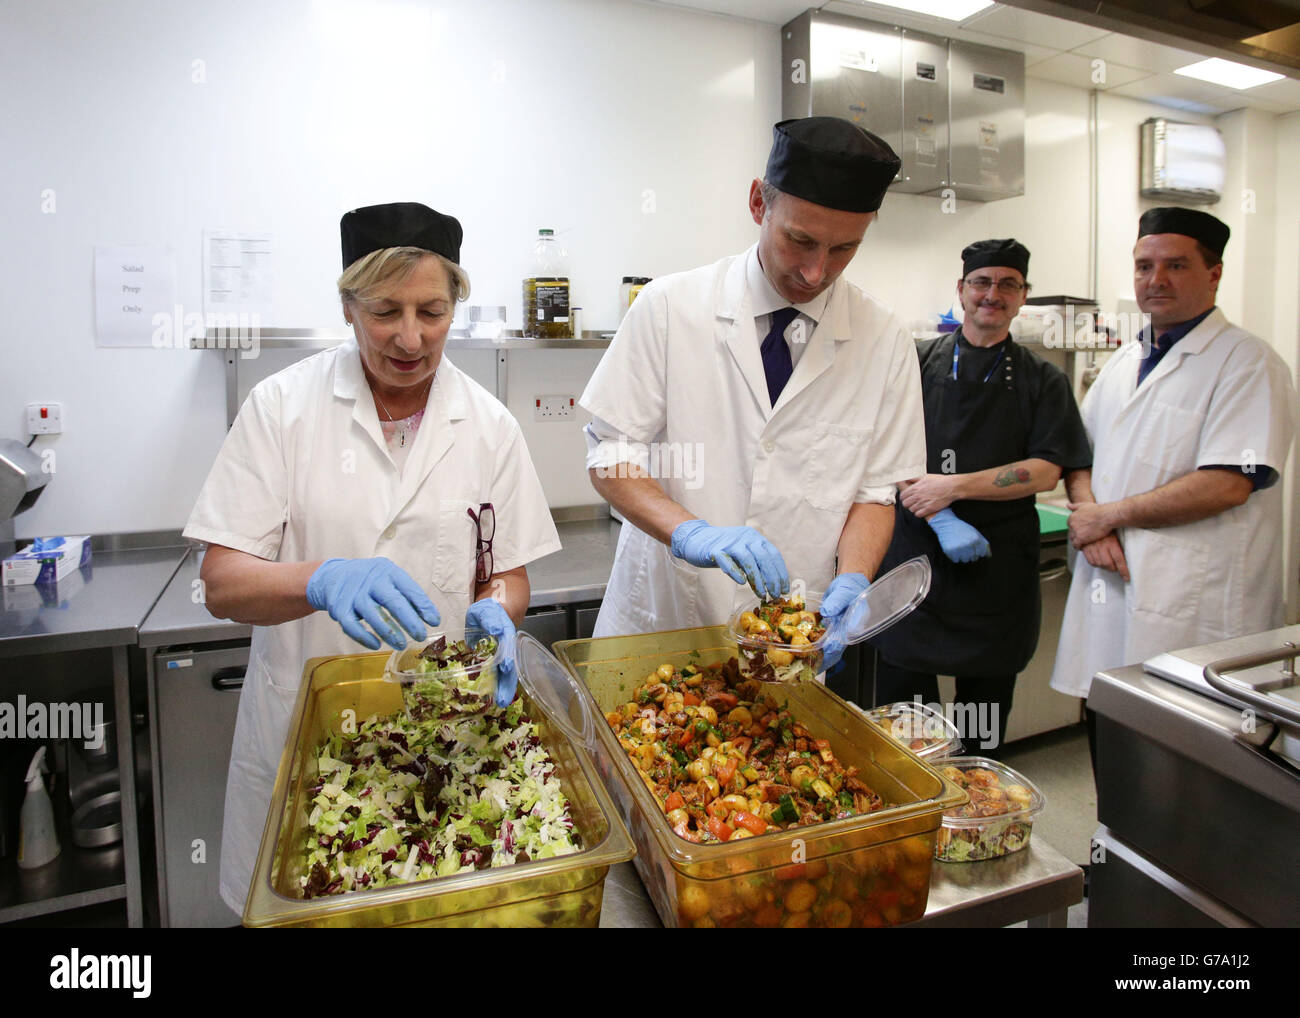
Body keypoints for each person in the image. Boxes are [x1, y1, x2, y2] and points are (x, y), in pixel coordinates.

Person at [183, 202, 561, 915]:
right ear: (349, 306)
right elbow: (222, 583)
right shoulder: (282, 409)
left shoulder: (489, 425)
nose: (412, 337)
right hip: (306, 743)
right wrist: (319, 580)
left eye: (433, 310)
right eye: (387, 310)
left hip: (441, 744)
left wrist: (500, 608)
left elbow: (508, 571)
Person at [579, 117, 926, 667]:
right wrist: (689, 531)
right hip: (662, 626)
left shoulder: (884, 339)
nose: (815, 272)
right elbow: (610, 454)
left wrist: (854, 579)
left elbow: (876, 494)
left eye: (843, 250)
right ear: (759, 205)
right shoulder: (670, 307)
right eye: (801, 240)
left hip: (788, 644)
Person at [1050, 207, 1297, 764]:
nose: (1155, 279)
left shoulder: (1248, 363)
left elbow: (1228, 484)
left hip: (1197, 604)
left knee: (1189, 759)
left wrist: (1107, 517)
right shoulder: (1121, 361)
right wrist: (1090, 520)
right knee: (1111, 732)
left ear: (1214, 274)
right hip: (1111, 584)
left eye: (1176, 265)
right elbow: (1077, 455)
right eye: (1144, 266)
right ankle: (1110, 850)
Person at [867, 239, 1092, 755]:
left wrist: (954, 486)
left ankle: (978, 819)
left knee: (981, 732)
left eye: (1007, 284)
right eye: (982, 282)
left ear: (1023, 296)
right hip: (914, 567)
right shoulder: (916, 361)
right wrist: (940, 512)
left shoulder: (1043, 380)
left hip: (995, 574)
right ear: (962, 291)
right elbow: (884, 442)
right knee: (905, 731)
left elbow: (1045, 470)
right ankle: (913, 825)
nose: (993, 294)